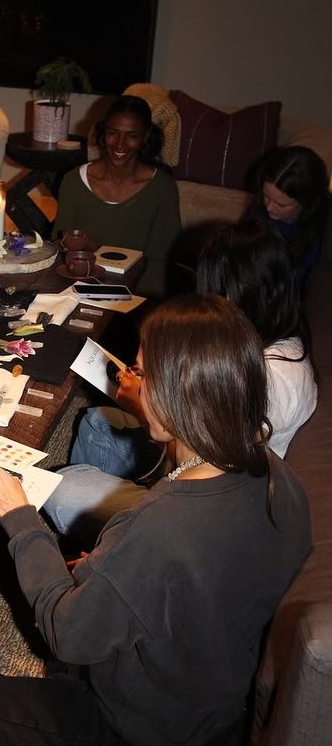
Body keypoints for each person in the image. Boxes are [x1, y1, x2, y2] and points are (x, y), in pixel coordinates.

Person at [0, 295, 311, 746]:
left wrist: (20, 516)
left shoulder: (162, 527)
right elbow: (186, 586)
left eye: (142, 373)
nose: (132, 379)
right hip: (214, 703)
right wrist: (112, 575)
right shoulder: (278, 477)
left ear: (177, 390)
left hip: (139, 727)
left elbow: (68, 635)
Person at [46, 220, 317, 548]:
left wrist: (143, 406)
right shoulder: (277, 342)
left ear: (233, 294)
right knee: (96, 423)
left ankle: (119, 557)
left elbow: (195, 474)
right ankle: (105, 549)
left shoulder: (267, 380)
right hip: (198, 474)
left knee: (61, 485)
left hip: (204, 517)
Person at [51, 95, 180, 297]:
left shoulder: (162, 188)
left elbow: (161, 263)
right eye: (113, 133)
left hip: (137, 296)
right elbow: (60, 250)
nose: (120, 144)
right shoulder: (73, 181)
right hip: (79, 291)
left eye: (132, 135)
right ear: (103, 133)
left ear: (145, 137)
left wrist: (123, 298)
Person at [246, 145, 329, 286]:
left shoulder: (322, 234)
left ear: (307, 203)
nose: (269, 207)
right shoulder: (260, 211)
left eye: (281, 205)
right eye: (266, 196)